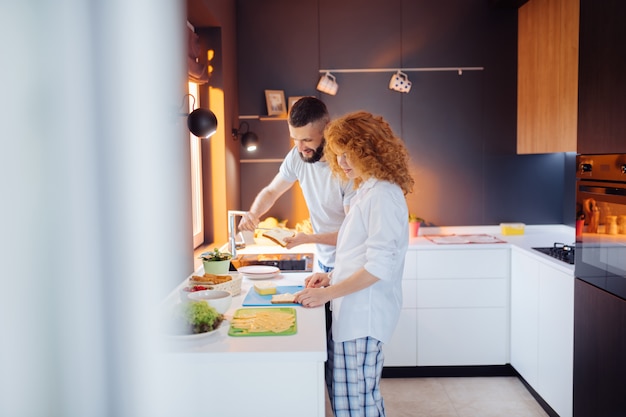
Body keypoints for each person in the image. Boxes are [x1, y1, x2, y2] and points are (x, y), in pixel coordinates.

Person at [294, 111, 414, 417]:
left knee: (357, 407)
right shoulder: (367, 191)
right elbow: (357, 254)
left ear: (369, 151)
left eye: (349, 154)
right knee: (353, 401)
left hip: (364, 317)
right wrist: (330, 277)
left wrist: (326, 295)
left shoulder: (384, 196)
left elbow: (378, 268)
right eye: (338, 155)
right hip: (353, 313)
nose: (343, 162)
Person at [238, 97, 356, 272]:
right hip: (324, 261)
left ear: (327, 129)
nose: (300, 148)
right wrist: (253, 214)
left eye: (307, 140)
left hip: (351, 262)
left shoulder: (347, 168)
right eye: (295, 139)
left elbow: (352, 233)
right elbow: (271, 191)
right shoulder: (297, 156)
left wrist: (308, 239)